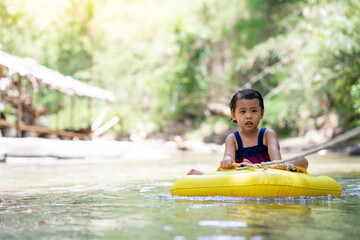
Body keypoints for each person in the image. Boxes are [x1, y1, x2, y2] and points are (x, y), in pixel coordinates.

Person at [187, 89, 308, 175]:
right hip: (241, 172)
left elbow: (276, 160)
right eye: (243, 112)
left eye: (254, 111)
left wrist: (266, 166)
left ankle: (256, 169)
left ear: (261, 114)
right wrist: (227, 160)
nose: (248, 116)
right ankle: (205, 176)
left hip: (267, 171)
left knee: (302, 161)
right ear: (234, 115)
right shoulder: (232, 139)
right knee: (225, 170)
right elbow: (228, 156)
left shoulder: (267, 134)